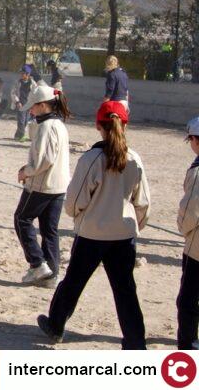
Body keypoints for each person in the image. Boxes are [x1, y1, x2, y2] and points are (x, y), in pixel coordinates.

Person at [37, 100, 149, 348]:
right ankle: (135, 341)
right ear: (125, 125)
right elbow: (143, 202)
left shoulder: (93, 158)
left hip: (92, 233)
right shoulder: (135, 159)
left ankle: (56, 325)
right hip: (123, 234)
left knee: (74, 282)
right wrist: (134, 226)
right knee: (125, 289)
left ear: (98, 125)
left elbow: (76, 199)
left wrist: (78, 216)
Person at [14, 85, 71, 287]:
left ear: (44, 105)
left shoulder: (46, 127)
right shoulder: (59, 125)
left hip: (41, 185)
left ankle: (37, 264)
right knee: (49, 229)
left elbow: (43, 161)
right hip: (59, 185)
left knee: (22, 219)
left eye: (34, 107)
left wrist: (25, 171)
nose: (31, 110)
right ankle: (51, 275)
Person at [177, 116, 199, 350]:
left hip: (197, 248)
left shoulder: (197, 173)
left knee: (188, 299)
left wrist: (184, 230)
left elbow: (190, 212)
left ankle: (187, 343)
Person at [13, 65, 37, 142]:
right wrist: (17, 101)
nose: (21, 75)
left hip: (29, 104)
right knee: (21, 121)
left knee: (26, 121)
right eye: (21, 73)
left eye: (23, 73)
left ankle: (17, 135)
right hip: (21, 104)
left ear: (28, 74)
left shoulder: (33, 83)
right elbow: (13, 93)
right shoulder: (17, 82)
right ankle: (22, 135)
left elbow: (35, 94)